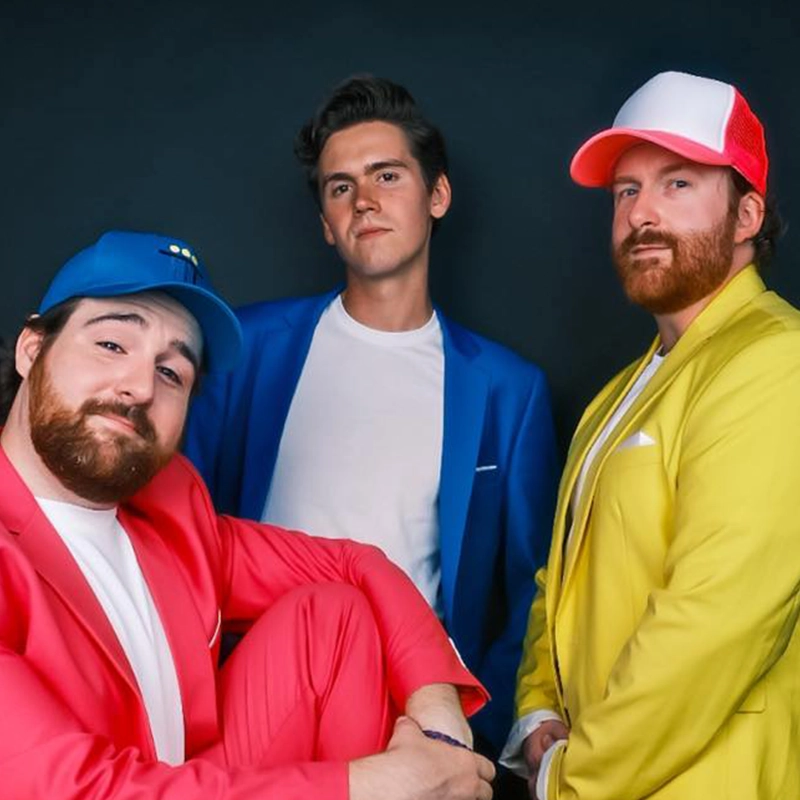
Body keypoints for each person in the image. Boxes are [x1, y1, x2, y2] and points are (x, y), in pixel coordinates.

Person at [0, 229, 497, 799]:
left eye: (171, 372)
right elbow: (81, 791)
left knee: (330, 617)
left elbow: (356, 565)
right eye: (112, 344)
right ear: (32, 349)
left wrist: (438, 719)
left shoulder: (170, 514)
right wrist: (371, 785)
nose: (139, 387)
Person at [183, 75, 559, 756]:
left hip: (415, 720)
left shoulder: (508, 390)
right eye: (340, 187)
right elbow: (179, 527)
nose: (364, 201)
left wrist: (479, 727)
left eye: (387, 175)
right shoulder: (245, 348)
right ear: (326, 225)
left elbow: (532, 585)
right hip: (256, 710)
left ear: (436, 196)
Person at [502, 71, 800, 799]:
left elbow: (714, 619)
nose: (640, 213)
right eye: (626, 191)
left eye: (678, 184)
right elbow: (557, 584)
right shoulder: (613, 400)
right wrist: (538, 710)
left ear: (747, 215)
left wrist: (569, 779)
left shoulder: (779, 360)